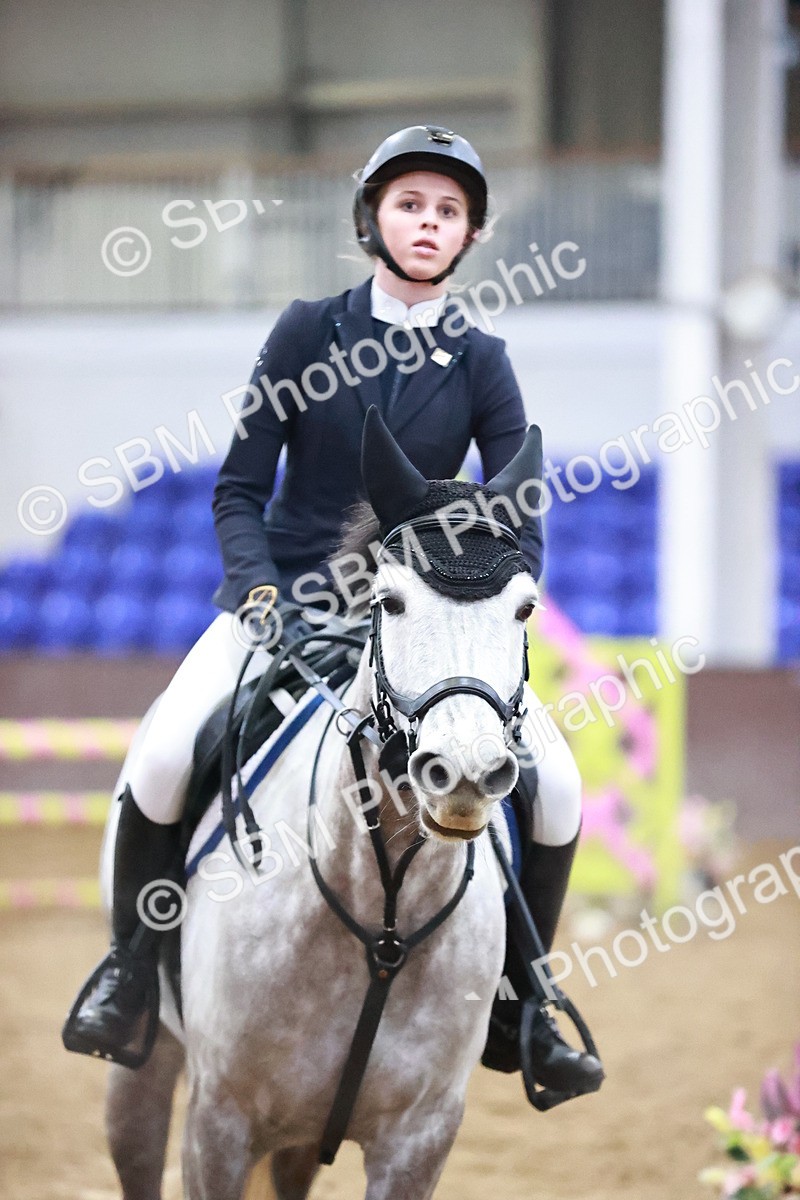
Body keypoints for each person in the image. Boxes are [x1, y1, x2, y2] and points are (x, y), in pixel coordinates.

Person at [64, 124, 602, 1095]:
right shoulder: (307, 331)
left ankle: (525, 1003)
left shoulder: (483, 360)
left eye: (447, 211)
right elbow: (237, 488)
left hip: (416, 622)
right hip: (282, 603)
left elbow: (518, 515)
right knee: (159, 755)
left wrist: (485, 600)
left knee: (555, 787)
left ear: (469, 234)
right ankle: (129, 974)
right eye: (410, 205)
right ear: (373, 216)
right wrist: (262, 591)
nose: (427, 224)